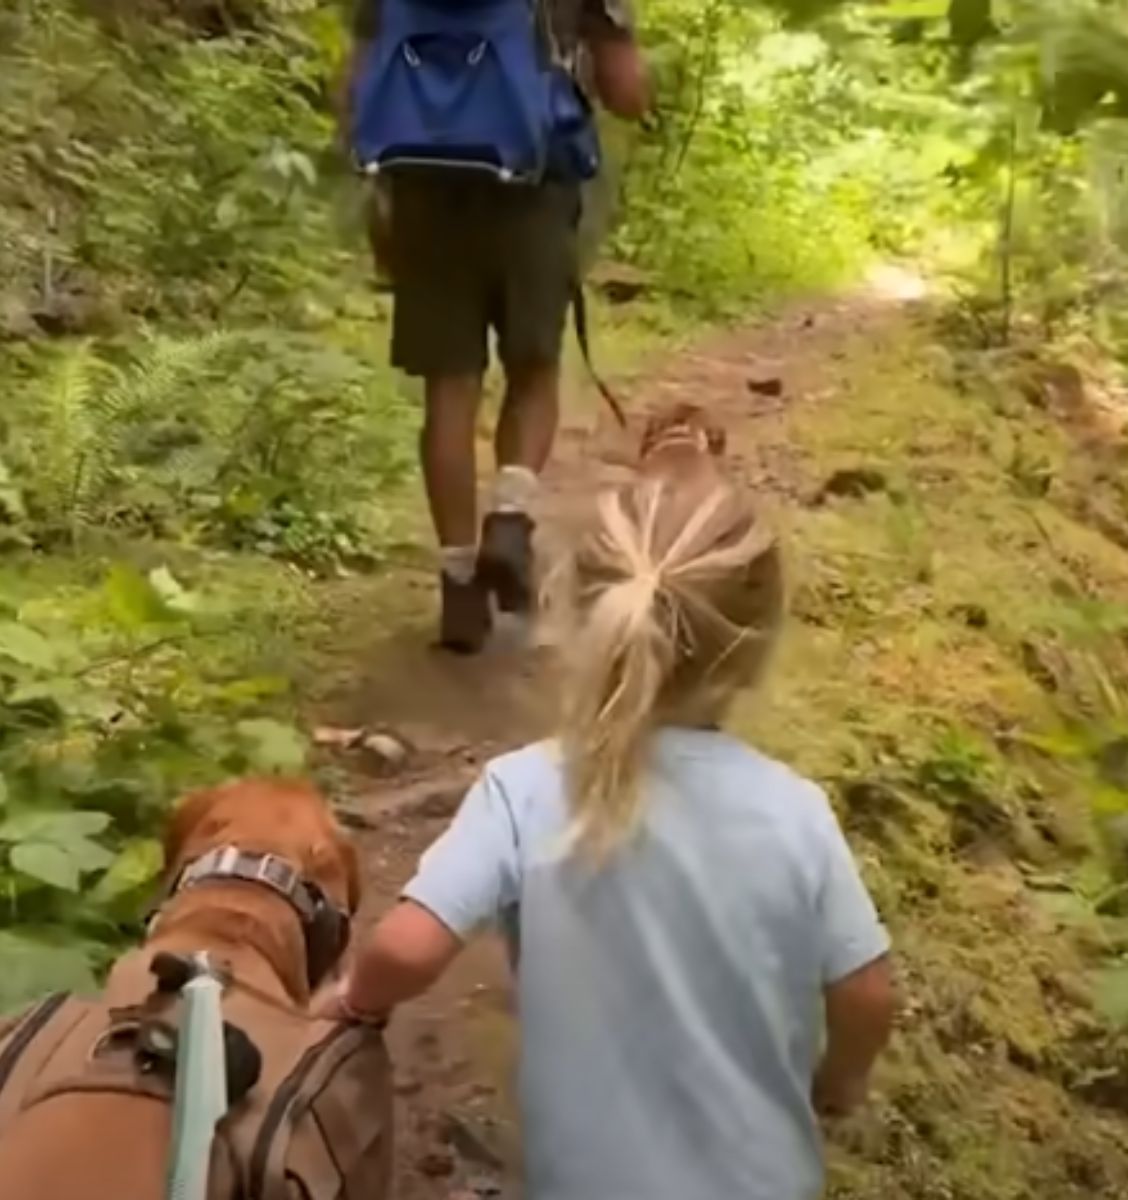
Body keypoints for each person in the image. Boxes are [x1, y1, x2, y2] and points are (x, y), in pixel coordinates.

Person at [320, 464, 896, 1200]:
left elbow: (406, 948)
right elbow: (868, 995)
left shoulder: (522, 790)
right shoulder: (796, 812)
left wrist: (355, 1002)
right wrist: (839, 1084)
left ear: (575, 615)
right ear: (753, 650)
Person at [341, 0, 652, 653]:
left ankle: (458, 587)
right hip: (532, 189)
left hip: (423, 193)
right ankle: (510, 516)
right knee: (534, 369)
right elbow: (627, 95)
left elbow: (358, 85)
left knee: (448, 391)